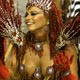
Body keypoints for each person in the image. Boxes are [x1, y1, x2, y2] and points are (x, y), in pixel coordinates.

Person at [0, 0, 79, 80]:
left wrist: (66, 72)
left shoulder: (64, 48)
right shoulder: (20, 48)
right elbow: (10, 76)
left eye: (33, 14)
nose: (28, 18)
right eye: (26, 15)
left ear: (48, 18)